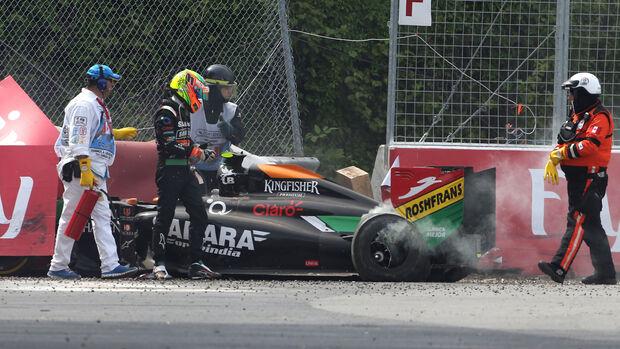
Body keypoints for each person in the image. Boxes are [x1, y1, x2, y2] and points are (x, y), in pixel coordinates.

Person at [49, 64, 139, 280]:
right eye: (111, 81)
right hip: (83, 169)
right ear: (100, 82)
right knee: (72, 217)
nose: (112, 86)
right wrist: (86, 169)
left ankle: (110, 265)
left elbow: (90, 131)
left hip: (94, 169)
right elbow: (79, 138)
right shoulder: (84, 104)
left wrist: (114, 133)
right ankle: (59, 265)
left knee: (101, 216)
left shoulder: (94, 104)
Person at [540, 72, 616, 285]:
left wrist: (561, 154)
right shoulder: (576, 117)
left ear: (584, 93)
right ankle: (606, 274)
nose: (570, 98)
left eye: (573, 93)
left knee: (577, 221)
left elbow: (589, 145)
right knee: (592, 227)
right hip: (576, 179)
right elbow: (562, 141)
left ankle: (559, 267)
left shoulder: (600, 116)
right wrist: (553, 157)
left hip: (591, 178)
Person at [150, 69, 221, 280]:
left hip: (185, 171)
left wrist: (199, 149)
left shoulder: (183, 111)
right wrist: (195, 152)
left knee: (200, 214)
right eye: (197, 92)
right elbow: (168, 144)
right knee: (165, 217)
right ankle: (159, 265)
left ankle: (196, 264)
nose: (199, 97)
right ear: (186, 88)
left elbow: (183, 141)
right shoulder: (166, 111)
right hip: (169, 170)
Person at [190, 64, 246, 193]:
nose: (229, 92)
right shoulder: (193, 108)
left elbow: (239, 136)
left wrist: (231, 132)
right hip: (195, 166)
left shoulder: (231, 109)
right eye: (226, 88)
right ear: (213, 89)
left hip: (222, 168)